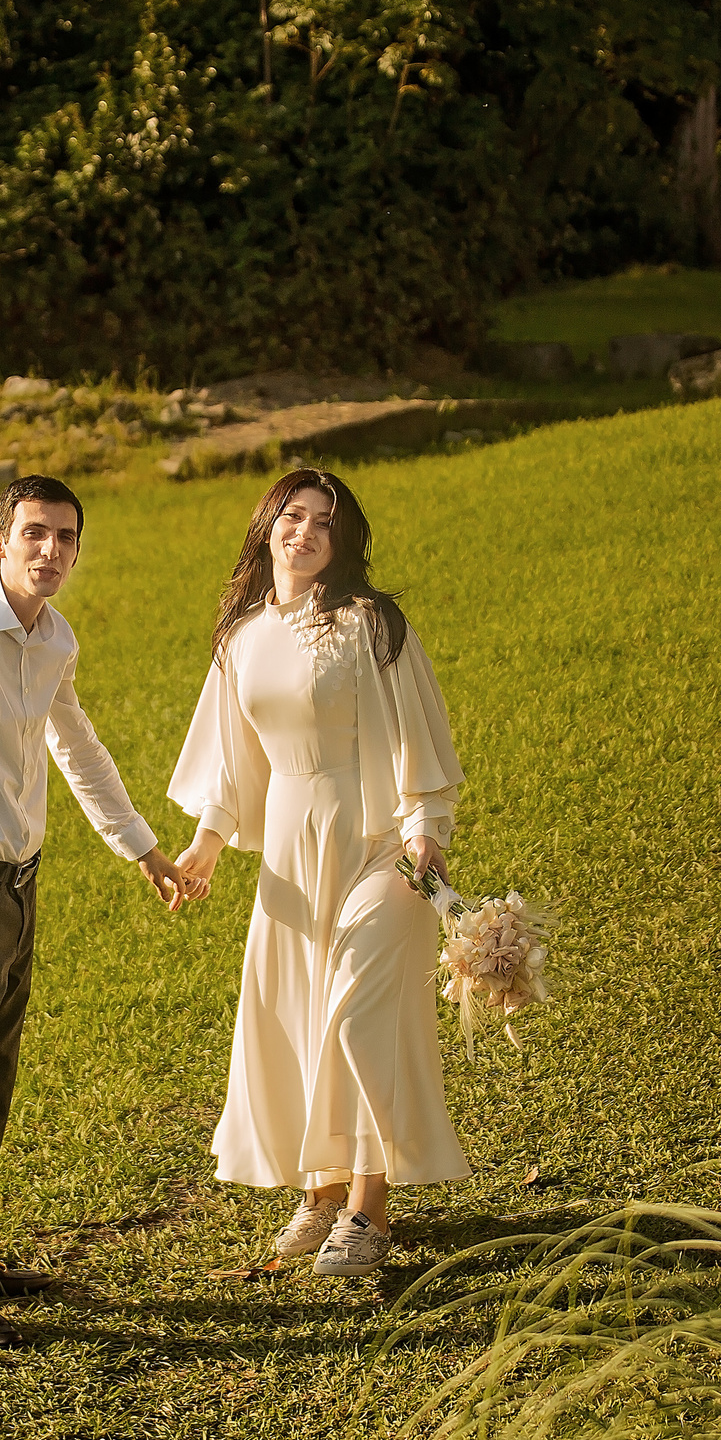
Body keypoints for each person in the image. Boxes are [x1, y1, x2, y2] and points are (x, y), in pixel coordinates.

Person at [0, 475, 197, 1349]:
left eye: (65, 537)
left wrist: (142, 848)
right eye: (34, 533)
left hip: (20, 877)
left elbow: (78, 745)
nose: (50, 550)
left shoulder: (53, 637)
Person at [170, 469, 470, 1278]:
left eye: (324, 523)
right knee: (300, 1018)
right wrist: (204, 846)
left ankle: (370, 1211)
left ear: (342, 544)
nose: (304, 531)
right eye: (292, 516)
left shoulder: (370, 624)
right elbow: (230, 767)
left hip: (380, 847)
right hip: (290, 859)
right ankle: (324, 1185)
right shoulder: (239, 639)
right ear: (268, 526)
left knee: (356, 1016)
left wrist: (426, 834)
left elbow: (417, 738)